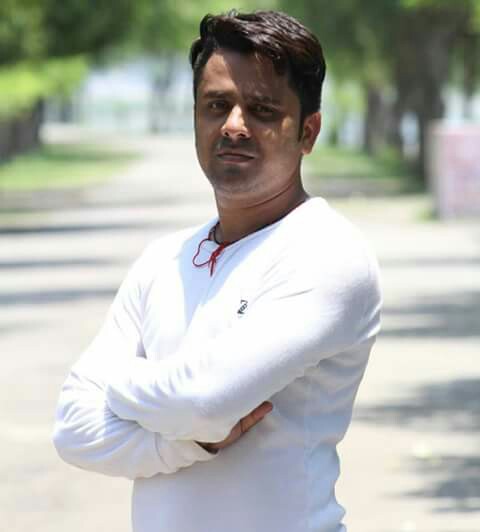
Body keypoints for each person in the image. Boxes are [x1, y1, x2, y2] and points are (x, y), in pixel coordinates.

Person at [53, 10, 381, 532]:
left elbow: (206, 400)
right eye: (216, 105)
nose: (233, 125)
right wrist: (186, 443)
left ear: (308, 131)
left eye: (262, 109)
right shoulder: (162, 259)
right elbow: (73, 429)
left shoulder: (327, 253)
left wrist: (111, 383)